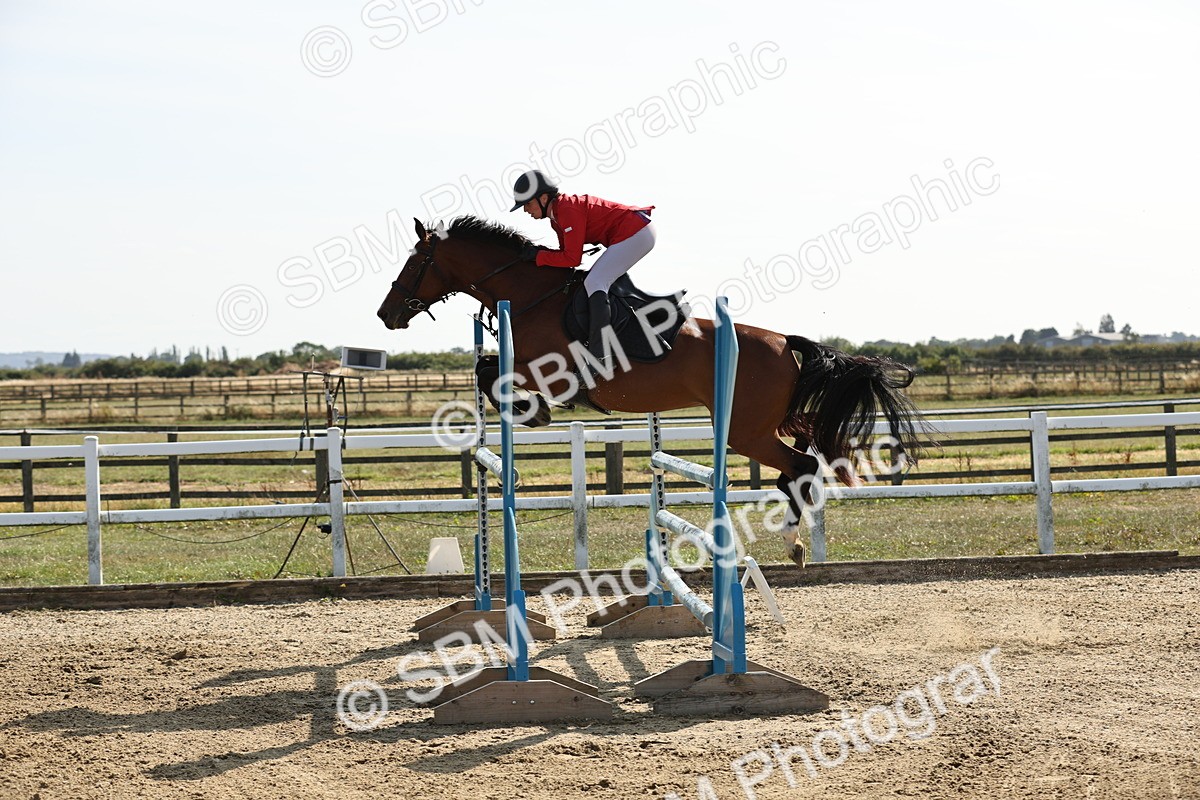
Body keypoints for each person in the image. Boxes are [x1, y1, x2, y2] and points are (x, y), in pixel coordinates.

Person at [511, 170, 656, 366]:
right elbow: (564, 256)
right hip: (631, 233)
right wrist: (540, 254)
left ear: (544, 198)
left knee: (595, 281)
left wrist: (538, 256)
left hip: (636, 232)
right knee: (595, 280)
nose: (526, 210)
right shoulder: (557, 219)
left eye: (527, 204)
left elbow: (572, 258)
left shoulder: (567, 210)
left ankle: (600, 354)